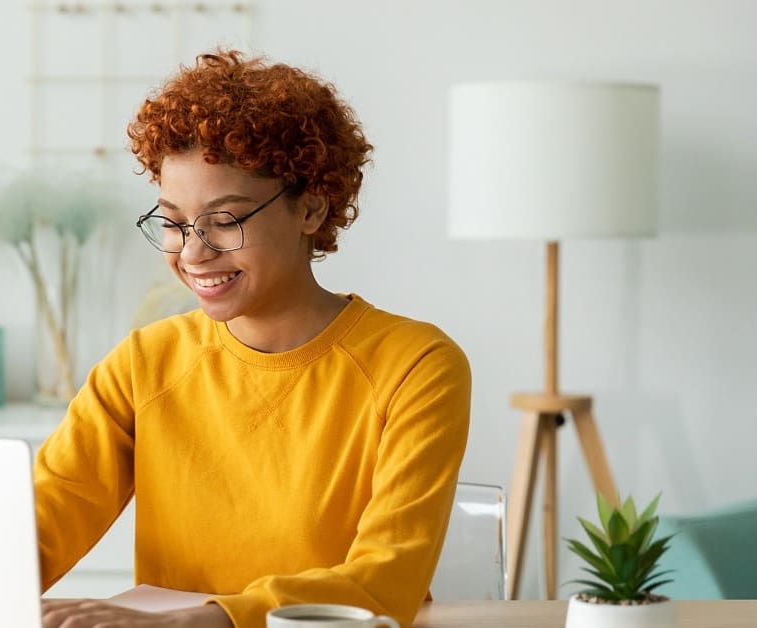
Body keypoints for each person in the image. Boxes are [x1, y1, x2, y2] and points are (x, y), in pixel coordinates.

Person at [36, 50, 470, 628]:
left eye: (224, 220)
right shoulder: (143, 364)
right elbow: (40, 524)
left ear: (311, 208)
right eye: (172, 222)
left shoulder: (415, 365)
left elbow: (387, 577)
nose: (192, 252)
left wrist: (209, 620)